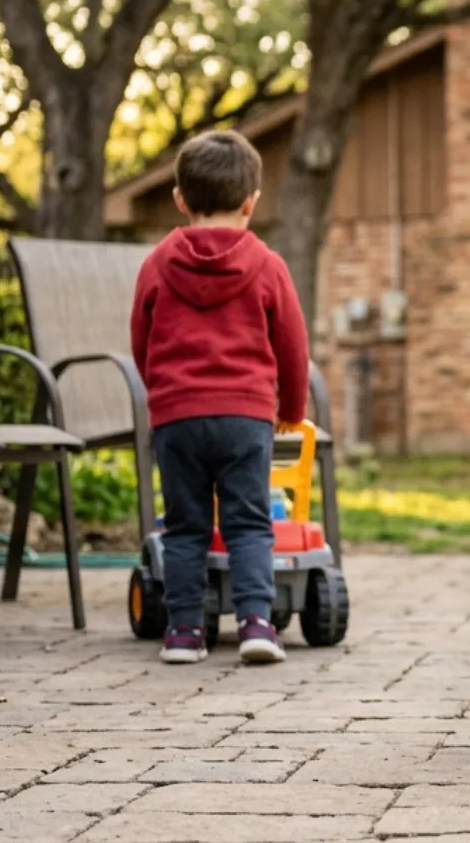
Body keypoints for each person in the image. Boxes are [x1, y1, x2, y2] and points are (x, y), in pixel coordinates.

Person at [131, 130, 310, 663]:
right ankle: (257, 623)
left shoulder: (159, 261)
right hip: (246, 416)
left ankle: (184, 632)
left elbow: (141, 339)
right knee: (249, 522)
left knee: (184, 525)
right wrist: (292, 410)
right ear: (251, 202)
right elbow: (293, 346)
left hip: (178, 416)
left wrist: (162, 393)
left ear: (181, 199)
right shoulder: (267, 264)